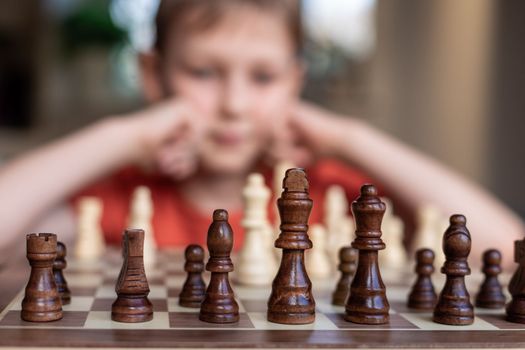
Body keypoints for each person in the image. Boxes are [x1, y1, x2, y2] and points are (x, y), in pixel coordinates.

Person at [0, 0, 522, 266]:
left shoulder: (328, 190)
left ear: (295, 82)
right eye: (203, 73)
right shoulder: (122, 197)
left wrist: (349, 137)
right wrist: (123, 136)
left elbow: (505, 246)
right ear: (153, 74)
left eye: (264, 77)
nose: (233, 104)